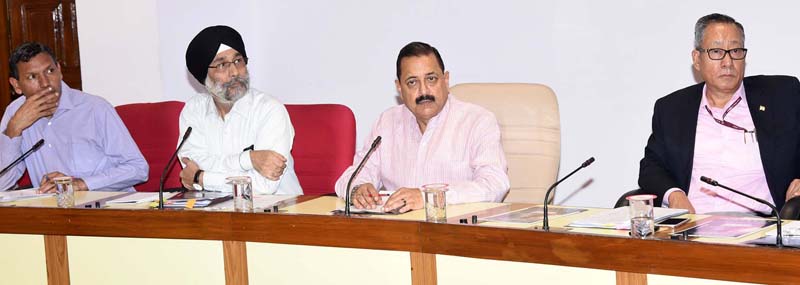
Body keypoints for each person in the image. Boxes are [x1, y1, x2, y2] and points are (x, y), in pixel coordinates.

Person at [638, 13, 800, 215]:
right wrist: (674, 194)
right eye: (716, 51)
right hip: (692, 228)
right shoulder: (672, 108)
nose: (728, 62)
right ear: (697, 59)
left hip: (759, 228)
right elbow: (651, 167)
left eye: (736, 51)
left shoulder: (782, 95)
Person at [334, 41, 510, 212]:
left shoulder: (477, 121)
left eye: (431, 79)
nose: (423, 91)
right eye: (412, 82)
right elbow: (348, 179)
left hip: (456, 232)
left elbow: (495, 184)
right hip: (398, 233)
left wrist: (430, 197)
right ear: (399, 88)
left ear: (446, 80)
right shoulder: (386, 123)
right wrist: (358, 190)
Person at [0, 42, 148, 193]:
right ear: (16, 85)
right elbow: (2, 185)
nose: (45, 84)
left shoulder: (94, 108)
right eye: (32, 77)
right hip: (52, 211)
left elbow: (138, 168)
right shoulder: (15, 114)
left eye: (50, 71)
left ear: (59, 70)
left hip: (106, 208)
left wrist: (81, 184)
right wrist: (13, 129)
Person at [179, 25, 302, 195]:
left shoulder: (270, 110)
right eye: (221, 65)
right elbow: (191, 165)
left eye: (238, 61)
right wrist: (248, 160)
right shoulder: (193, 110)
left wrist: (202, 178)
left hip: (277, 213)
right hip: (214, 213)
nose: (235, 72)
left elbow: (264, 186)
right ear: (204, 76)